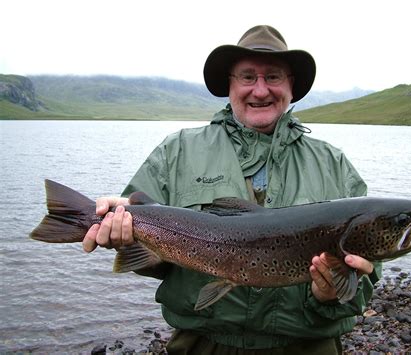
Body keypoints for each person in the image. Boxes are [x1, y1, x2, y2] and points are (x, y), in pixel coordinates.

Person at [83, 25, 381, 354]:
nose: (260, 90)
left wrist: (333, 294)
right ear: (231, 84)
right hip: (202, 345)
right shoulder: (177, 151)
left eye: (274, 77)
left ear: (291, 86)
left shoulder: (332, 163)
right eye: (248, 77)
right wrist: (125, 231)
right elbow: (154, 260)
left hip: (306, 346)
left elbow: (368, 272)